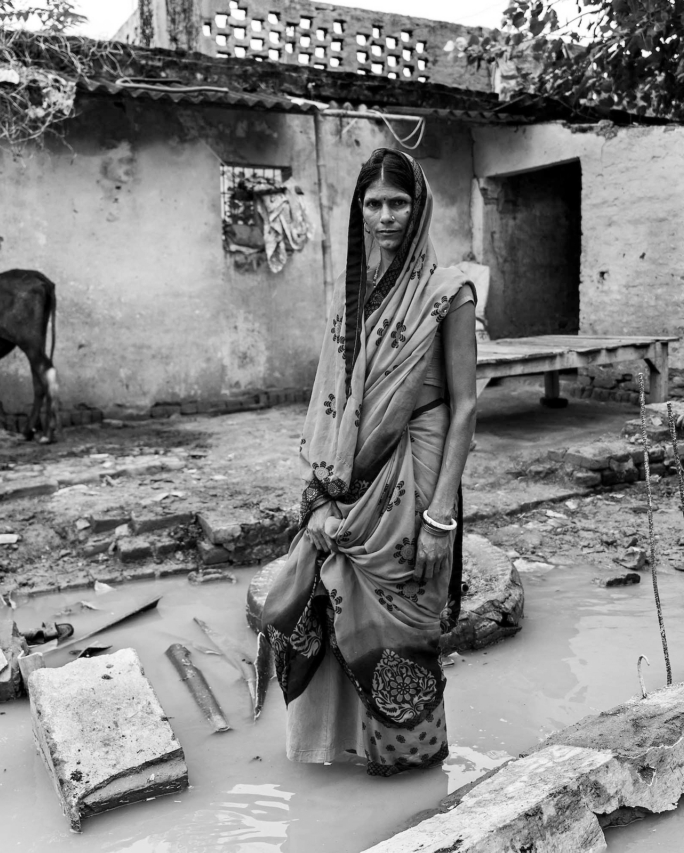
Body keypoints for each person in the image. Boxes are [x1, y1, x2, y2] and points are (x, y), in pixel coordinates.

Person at [260, 148, 478, 777]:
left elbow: (465, 407)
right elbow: (334, 398)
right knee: (328, 606)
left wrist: (441, 518)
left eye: (398, 203)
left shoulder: (448, 292)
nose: (386, 217)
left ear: (420, 208)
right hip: (348, 479)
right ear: (358, 209)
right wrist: (324, 487)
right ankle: (337, 757)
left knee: (403, 617)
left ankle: (410, 773)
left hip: (416, 471)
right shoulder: (350, 295)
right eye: (374, 203)